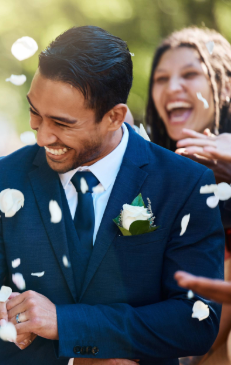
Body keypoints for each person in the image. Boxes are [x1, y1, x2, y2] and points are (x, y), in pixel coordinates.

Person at [0, 26, 224, 365]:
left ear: (114, 117)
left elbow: (197, 320)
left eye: (62, 123)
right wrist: (80, 359)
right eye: (35, 113)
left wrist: (65, 324)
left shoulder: (186, 183)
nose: (43, 136)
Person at [144, 27, 231, 364]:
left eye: (190, 74)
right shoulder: (145, 176)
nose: (173, 87)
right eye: (161, 78)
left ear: (224, 88)